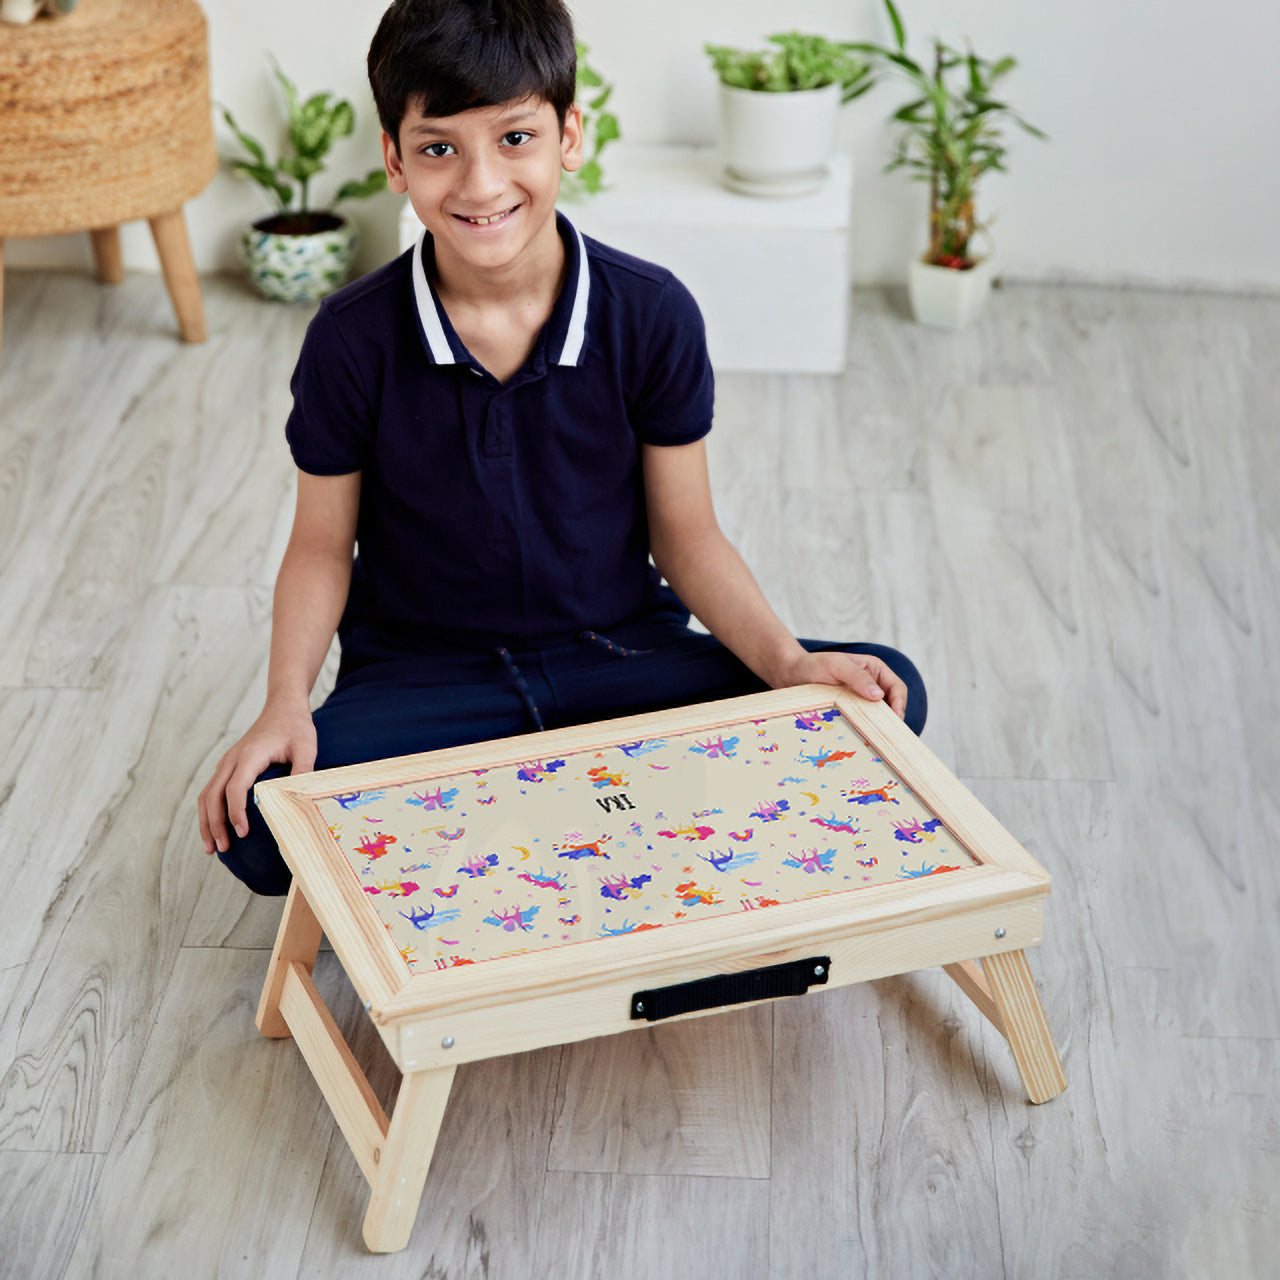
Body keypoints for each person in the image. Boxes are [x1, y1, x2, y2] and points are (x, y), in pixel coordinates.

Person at [198, 0, 927, 895]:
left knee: (879, 693)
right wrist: (283, 704)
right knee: (260, 820)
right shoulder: (351, 338)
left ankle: (522, 825)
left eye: (514, 138)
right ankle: (596, 818)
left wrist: (786, 664)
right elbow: (319, 546)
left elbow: (687, 534)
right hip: (430, 681)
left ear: (568, 135)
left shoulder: (651, 313)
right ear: (393, 159)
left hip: (620, 659)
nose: (479, 184)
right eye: (438, 148)